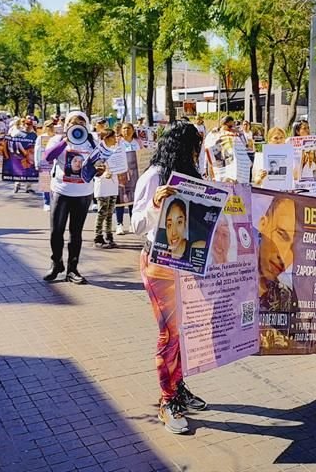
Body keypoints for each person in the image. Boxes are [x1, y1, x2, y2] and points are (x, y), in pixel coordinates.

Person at [132, 121, 209, 434]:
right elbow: (137, 224)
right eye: (194, 147)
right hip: (159, 266)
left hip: (187, 265)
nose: (197, 153)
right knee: (169, 333)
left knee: (183, 333)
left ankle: (178, 389)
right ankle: (167, 401)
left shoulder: (191, 177)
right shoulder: (153, 177)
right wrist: (154, 205)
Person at [42, 111, 98, 284]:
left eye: (81, 124)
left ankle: (72, 269)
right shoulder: (57, 140)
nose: (77, 126)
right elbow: (48, 157)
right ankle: (56, 263)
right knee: (56, 231)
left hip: (83, 193)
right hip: (61, 191)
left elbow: (98, 163)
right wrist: (66, 140)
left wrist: (100, 169)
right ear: (67, 125)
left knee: (76, 233)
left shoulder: (92, 142)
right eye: (73, 123)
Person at [115, 122, 142, 234]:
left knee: (133, 199)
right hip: (121, 174)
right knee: (120, 199)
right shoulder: (117, 143)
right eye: (124, 128)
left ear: (133, 130)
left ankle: (132, 223)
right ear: (121, 131)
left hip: (135, 174)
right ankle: (119, 224)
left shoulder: (138, 142)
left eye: (129, 128)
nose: (127, 130)